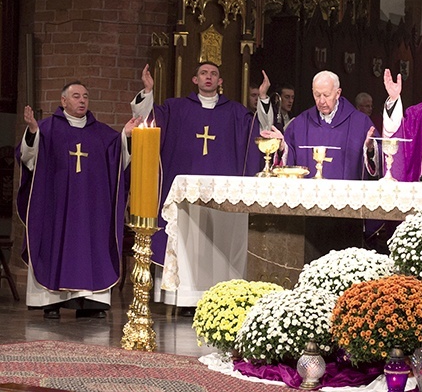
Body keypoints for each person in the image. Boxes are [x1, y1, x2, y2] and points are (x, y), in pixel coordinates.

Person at [130, 62, 263, 317]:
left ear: (220, 81)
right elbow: (146, 120)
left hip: (221, 194)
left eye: (213, 74)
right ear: (194, 79)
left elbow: (257, 133)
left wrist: (264, 100)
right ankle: (184, 300)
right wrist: (147, 91)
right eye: (204, 73)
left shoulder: (235, 112)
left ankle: (216, 297)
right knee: (185, 239)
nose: (209, 78)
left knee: (216, 243)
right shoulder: (175, 108)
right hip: (184, 193)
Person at [16, 81, 139, 319]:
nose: (82, 100)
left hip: (91, 209)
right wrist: (32, 133)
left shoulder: (102, 133)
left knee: (90, 245)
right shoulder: (47, 129)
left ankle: (90, 303)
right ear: (63, 101)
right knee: (54, 242)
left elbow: (118, 156)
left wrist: (125, 135)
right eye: (76, 96)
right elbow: (28, 158)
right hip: (57, 206)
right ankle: (50, 302)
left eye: (85, 96)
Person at [259, 70, 378, 180]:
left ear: (337, 93)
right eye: (317, 95)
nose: (321, 101)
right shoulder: (300, 124)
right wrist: (282, 147)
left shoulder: (359, 123)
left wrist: (371, 149)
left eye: (326, 95)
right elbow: (288, 160)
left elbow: (380, 161)